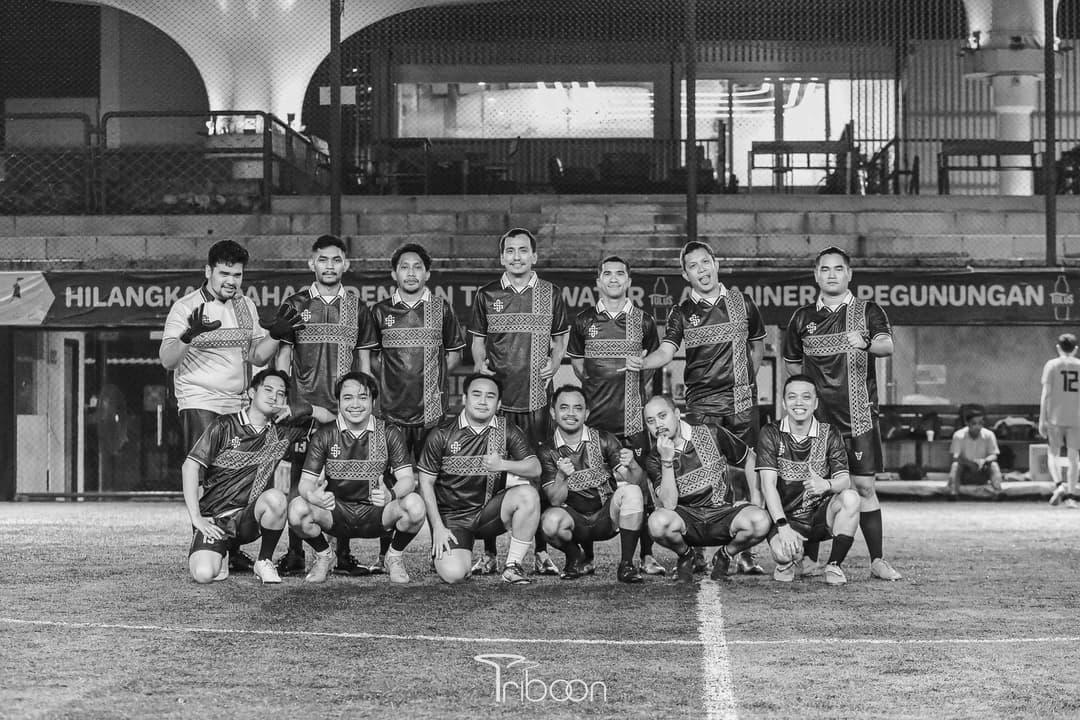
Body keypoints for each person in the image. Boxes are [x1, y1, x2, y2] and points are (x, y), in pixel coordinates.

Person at [162, 239, 304, 573]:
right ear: (208, 271)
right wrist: (187, 336)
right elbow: (167, 360)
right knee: (208, 476)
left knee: (242, 476)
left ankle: (232, 546)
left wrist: (276, 335)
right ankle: (208, 539)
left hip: (239, 402)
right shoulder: (185, 307)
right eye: (224, 273)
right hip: (200, 399)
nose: (231, 280)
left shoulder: (245, 306)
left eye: (237, 274)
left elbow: (257, 356)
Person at [636, 241, 766, 575]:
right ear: (685, 274)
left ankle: (745, 550)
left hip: (741, 401)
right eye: (693, 266)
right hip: (701, 403)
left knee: (745, 467)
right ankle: (693, 548)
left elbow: (757, 346)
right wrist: (642, 362)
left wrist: (746, 380)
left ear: (716, 263)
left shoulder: (743, 302)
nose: (702, 270)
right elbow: (667, 352)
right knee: (688, 470)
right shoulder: (680, 313)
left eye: (705, 262)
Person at [783, 246, 902, 581]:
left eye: (838, 269)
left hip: (858, 418)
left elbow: (887, 346)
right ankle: (809, 560)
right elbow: (792, 364)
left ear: (849, 274)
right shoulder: (802, 318)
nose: (831, 275)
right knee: (814, 487)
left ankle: (877, 560)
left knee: (863, 487)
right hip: (816, 423)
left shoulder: (868, 311)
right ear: (816, 275)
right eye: (825, 269)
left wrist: (864, 343)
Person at [274, 234, 378, 578]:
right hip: (303, 409)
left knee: (342, 480)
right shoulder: (295, 304)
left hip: (344, 411)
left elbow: (364, 363)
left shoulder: (358, 307)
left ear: (346, 264)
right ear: (312, 263)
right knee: (297, 478)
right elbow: (283, 356)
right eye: (323, 259)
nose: (329, 266)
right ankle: (295, 554)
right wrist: (287, 399)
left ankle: (343, 554)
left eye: (336, 260)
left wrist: (365, 404)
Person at [469, 228, 568, 576]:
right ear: (502, 258)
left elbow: (561, 339)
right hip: (498, 405)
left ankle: (539, 551)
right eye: (510, 251)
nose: (516, 256)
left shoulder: (551, 293)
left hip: (537, 404)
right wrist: (479, 362)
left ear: (534, 256)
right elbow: (477, 341)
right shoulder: (486, 294)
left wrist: (555, 361)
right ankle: (489, 553)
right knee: (491, 476)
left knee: (537, 477)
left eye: (523, 250)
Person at [369, 243, 466, 569]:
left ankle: (441, 550)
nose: (411, 273)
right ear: (393, 273)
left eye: (417, 267)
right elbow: (372, 359)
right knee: (390, 485)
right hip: (391, 415)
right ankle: (385, 554)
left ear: (427, 273)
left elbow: (454, 354)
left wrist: (433, 379)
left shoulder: (442, 309)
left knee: (437, 483)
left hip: (431, 415)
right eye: (404, 267)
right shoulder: (379, 312)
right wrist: (391, 384)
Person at [567, 255, 664, 576]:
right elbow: (579, 366)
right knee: (588, 488)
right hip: (595, 421)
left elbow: (650, 366)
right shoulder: (583, 321)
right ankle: (587, 557)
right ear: (598, 281)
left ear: (628, 281)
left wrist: (632, 389)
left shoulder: (644, 321)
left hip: (631, 422)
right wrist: (598, 386)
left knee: (641, 486)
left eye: (619, 274)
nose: (613, 278)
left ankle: (646, 555)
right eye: (607, 274)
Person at [287, 372, 425, 584]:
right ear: (339, 401)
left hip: (378, 513)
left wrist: (391, 494)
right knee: (297, 509)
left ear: (373, 401)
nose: (355, 404)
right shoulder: (325, 434)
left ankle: (393, 556)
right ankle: (325, 555)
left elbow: (407, 479)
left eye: (362, 397)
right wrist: (313, 496)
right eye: (348, 397)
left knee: (415, 505)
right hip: (336, 513)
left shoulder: (389, 433)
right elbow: (305, 482)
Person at [183, 369, 314, 584]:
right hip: (215, 519)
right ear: (252, 393)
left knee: (276, 498)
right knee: (204, 574)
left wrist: (306, 408)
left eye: (280, 393)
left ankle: (264, 561)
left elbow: (333, 418)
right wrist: (196, 518)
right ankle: (223, 552)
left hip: (248, 520)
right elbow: (189, 467)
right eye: (268, 390)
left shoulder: (285, 430)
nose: (274, 396)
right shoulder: (224, 425)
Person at [417, 374, 542, 585]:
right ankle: (460, 556)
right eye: (476, 395)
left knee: (528, 494)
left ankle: (512, 566)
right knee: (454, 574)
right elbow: (425, 483)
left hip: (489, 514)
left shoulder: (507, 429)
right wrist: (437, 527)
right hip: (453, 519)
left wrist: (503, 464)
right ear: (464, 399)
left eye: (490, 396)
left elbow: (535, 468)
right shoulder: (442, 433)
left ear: (499, 404)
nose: (483, 401)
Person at [641, 395, 770, 583]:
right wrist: (666, 460)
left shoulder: (712, 432)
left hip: (722, 514)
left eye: (662, 416)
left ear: (676, 414)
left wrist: (756, 501)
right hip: (687, 521)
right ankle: (686, 555)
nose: (658, 425)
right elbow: (669, 504)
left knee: (761, 520)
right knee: (656, 523)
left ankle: (725, 555)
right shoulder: (654, 458)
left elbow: (750, 458)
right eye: (651, 421)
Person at [757, 375, 861, 585]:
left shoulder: (830, 433)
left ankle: (834, 565)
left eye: (806, 397)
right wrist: (782, 526)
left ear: (815, 403)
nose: (799, 403)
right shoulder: (770, 433)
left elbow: (844, 481)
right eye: (792, 397)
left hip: (820, 516)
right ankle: (789, 560)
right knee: (783, 554)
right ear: (784, 403)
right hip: (787, 518)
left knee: (851, 498)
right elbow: (768, 486)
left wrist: (826, 485)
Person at [539, 385, 647, 583]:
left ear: (586, 413)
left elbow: (635, 481)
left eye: (578, 408)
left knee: (632, 492)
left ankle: (626, 565)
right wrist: (561, 476)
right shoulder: (547, 450)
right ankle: (575, 556)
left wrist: (633, 465)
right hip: (574, 522)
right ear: (553, 413)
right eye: (564, 407)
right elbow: (555, 500)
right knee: (549, 522)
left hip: (605, 519)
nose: (571, 413)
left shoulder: (605, 440)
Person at [1040, 333, 1080, 508]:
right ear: (1076, 349)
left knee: (1053, 453)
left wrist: (1042, 418)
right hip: (1076, 417)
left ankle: (1059, 485)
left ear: (1058, 348)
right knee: (1073, 457)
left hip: (1055, 417)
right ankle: (1071, 496)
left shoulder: (1052, 365)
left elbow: (1046, 394)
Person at [946, 407, 1004, 498]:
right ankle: (953, 493)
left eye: (980, 423)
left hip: (983, 471)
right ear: (967, 423)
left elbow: (994, 455)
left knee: (994, 465)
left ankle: (998, 492)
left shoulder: (989, 435)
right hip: (965, 472)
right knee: (955, 465)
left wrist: (984, 461)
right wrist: (970, 464)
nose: (977, 427)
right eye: (974, 423)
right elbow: (955, 457)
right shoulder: (958, 435)